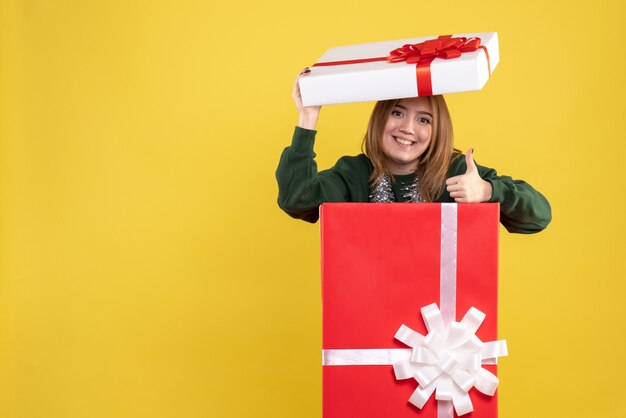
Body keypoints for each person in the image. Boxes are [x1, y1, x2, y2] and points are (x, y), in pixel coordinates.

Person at [276, 70, 551, 234]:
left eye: (423, 120)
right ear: (380, 119)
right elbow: (297, 199)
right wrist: (308, 117)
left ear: (436, 130)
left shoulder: (456, 172)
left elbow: (539, 216)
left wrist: (488, 192)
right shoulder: (354, 173)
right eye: (397, 112)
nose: (408, 128)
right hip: (369, 310)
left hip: (441, 322)